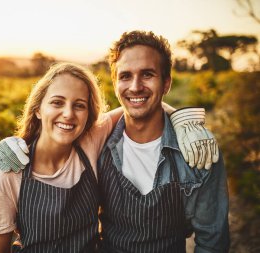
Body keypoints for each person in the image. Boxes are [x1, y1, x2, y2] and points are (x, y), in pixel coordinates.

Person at [0, 60, 221, 252]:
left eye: (79, 105)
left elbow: (138, 107)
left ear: (88, 114)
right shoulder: (11, 168)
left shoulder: (89, 143)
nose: (68, 114)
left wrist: (184, 122)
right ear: (38, 108)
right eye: (57, 102)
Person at [96, 31, 229, 252]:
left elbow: (212, 241)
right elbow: (50, 145)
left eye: (147, 74)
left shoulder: (198, 151)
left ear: (166, 83)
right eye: (125, 76)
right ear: (115, 83)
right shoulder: (98, 144)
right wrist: (18, 143)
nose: (135, 86)